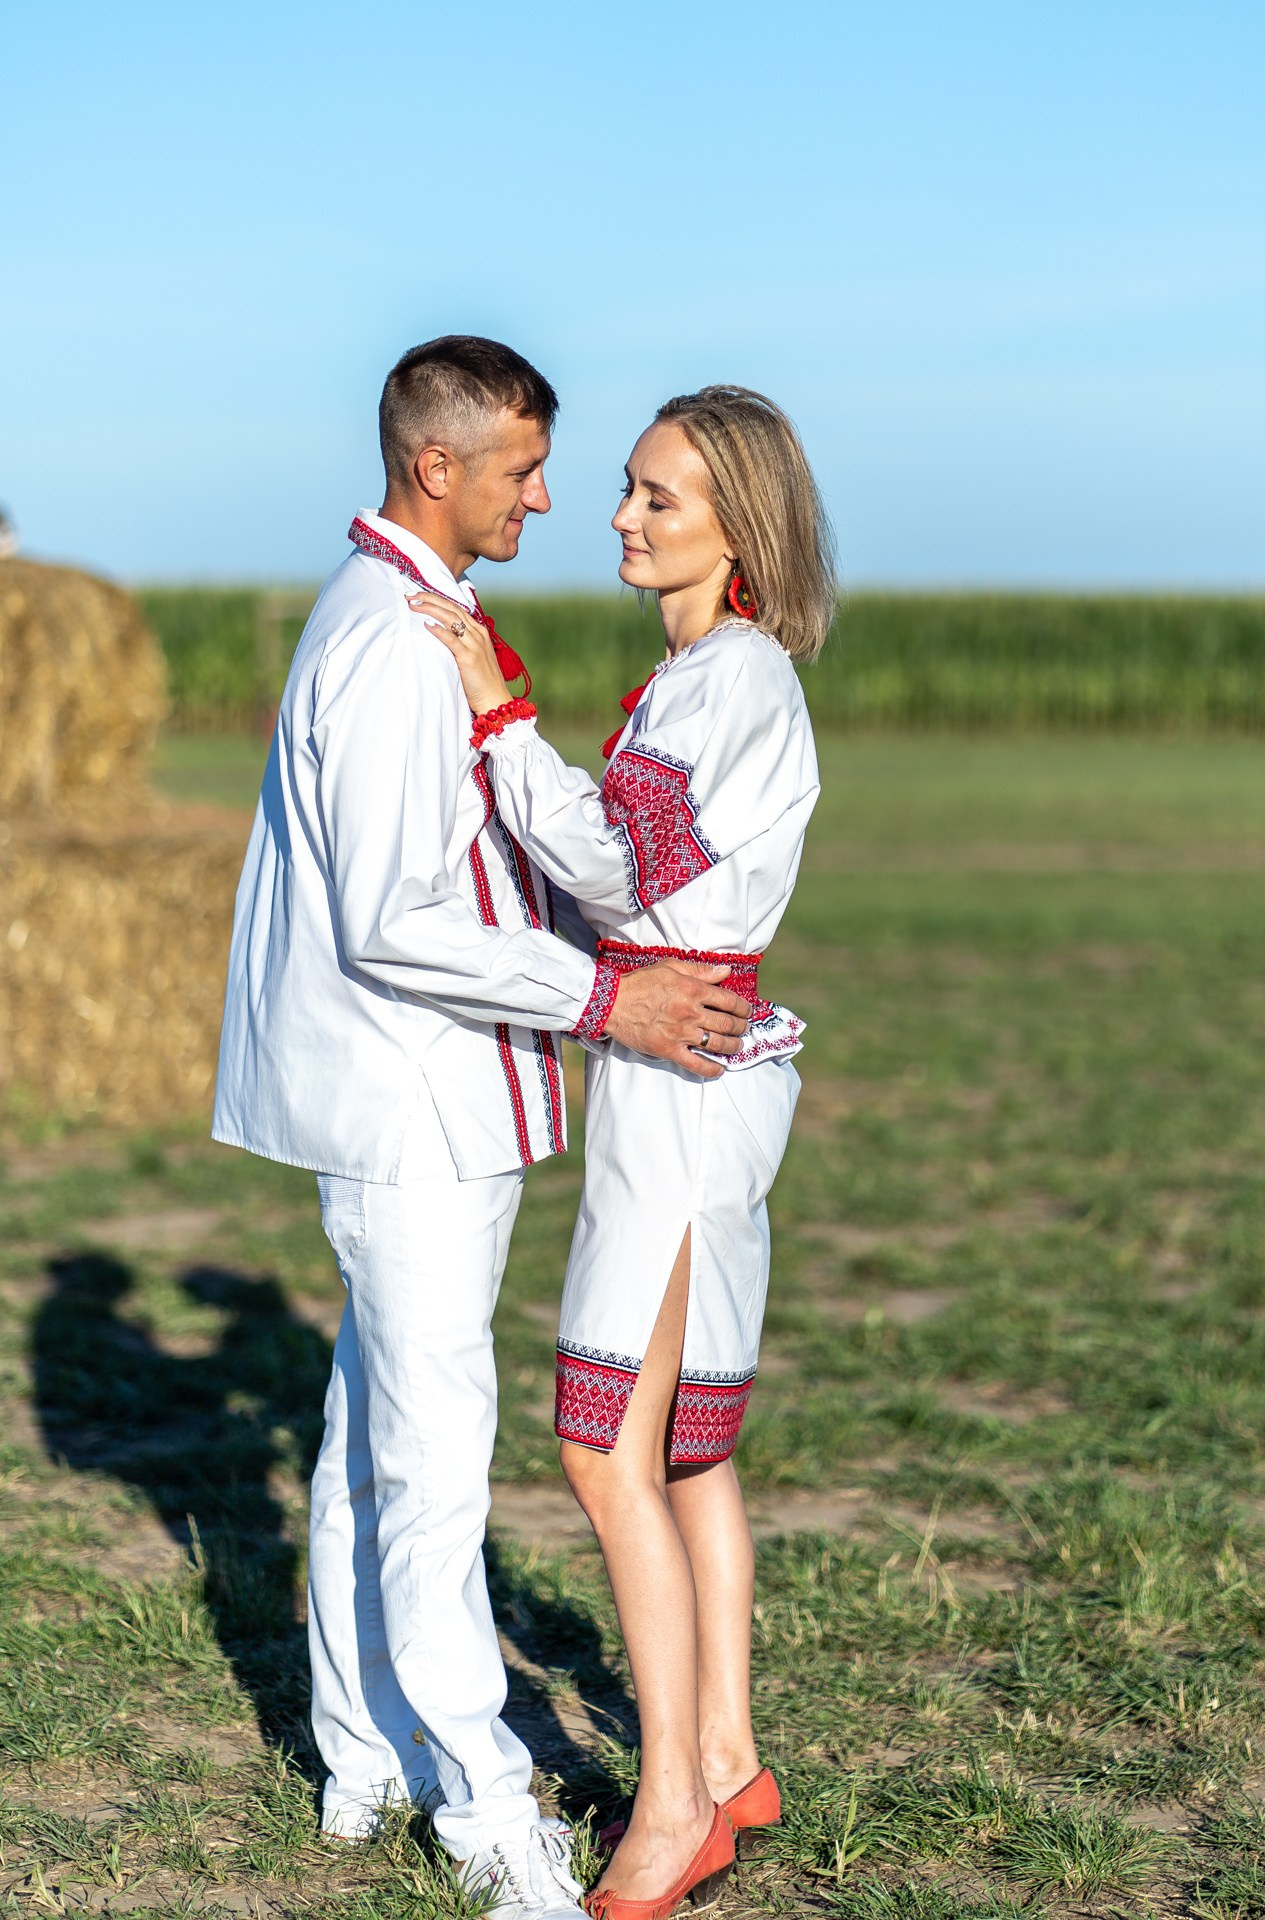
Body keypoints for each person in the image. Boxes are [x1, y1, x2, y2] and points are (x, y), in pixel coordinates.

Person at [211, 337, 754, 1920]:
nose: (547, 494)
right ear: (434, 465)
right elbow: (395, 918)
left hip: (433, 1097)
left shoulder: (407, 618)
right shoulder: (386, 640)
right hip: (416, 1106)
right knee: (436, 1465)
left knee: (376, 1441)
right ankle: (490, 1812)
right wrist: (609, 1001)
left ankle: (363, 1754)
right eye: (521, 467)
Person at [411, 383, 834, 1920]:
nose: (622, 516)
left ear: (742, 526)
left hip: (680, 1083)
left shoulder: (725, 683)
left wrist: (495, 714)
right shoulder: (725, 677)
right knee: (687, 1451)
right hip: (702, 1067)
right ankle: (723, 1754)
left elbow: (609, 863)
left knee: (603, 1449)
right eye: (628, 491)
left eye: (659, 497)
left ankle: (668, 1810)